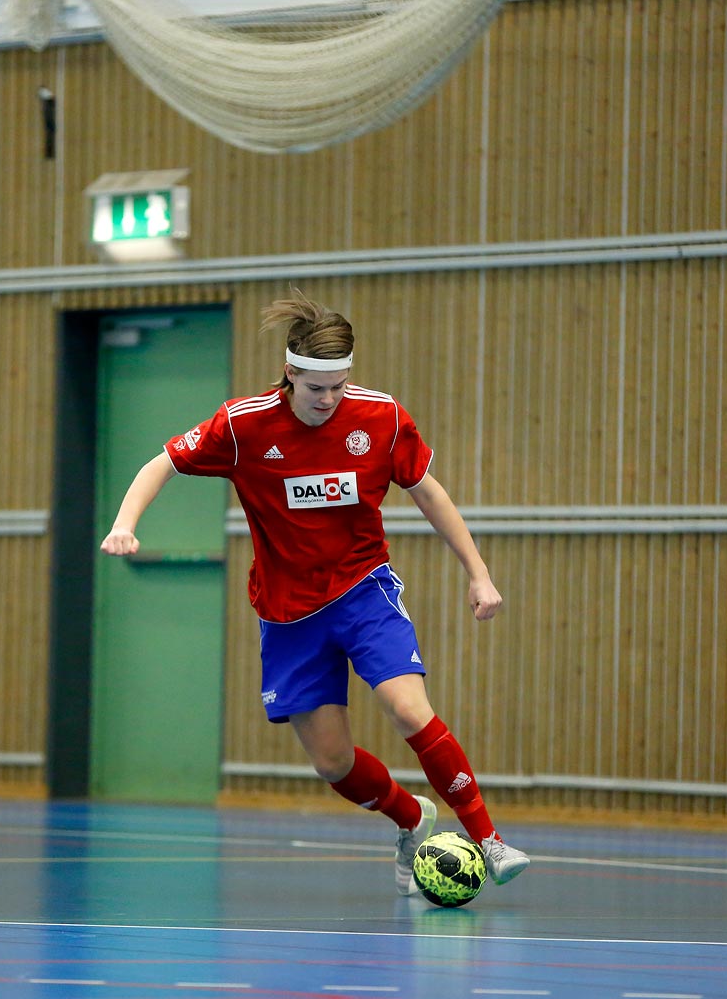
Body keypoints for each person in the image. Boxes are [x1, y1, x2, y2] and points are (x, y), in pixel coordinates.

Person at [101, 291, 530, 895]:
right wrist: (125, 524)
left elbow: (429, 493)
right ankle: (411, 819)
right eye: (316, 390)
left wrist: (478, 572)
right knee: (332, 763)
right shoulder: (243, 425)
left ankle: (489, 839)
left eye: (339, 387)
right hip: (287, 612)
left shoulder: (381, 418)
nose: (329, 401)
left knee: (409, 709)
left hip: (362, 587)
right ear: (290, 374)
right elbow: (159, 464)